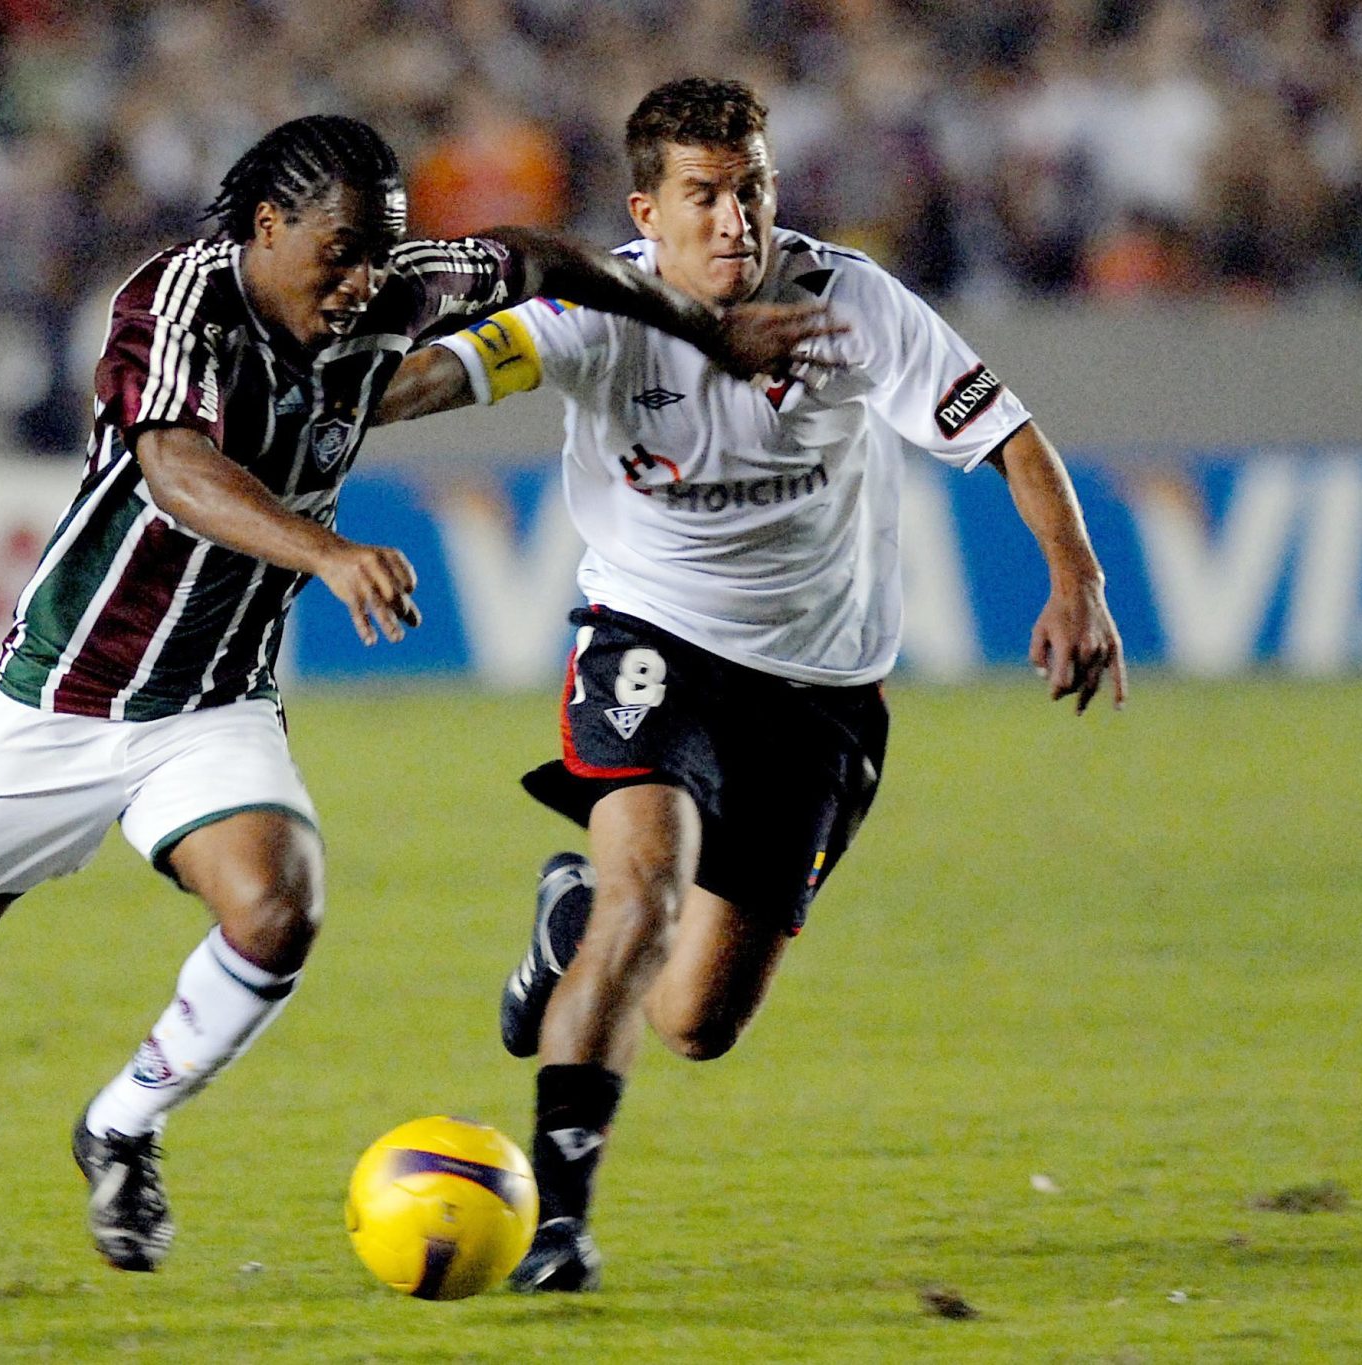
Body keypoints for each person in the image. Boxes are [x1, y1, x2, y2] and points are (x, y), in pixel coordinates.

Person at [0, 113, 835, 1315]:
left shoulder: (387, 291)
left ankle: (121, 1126)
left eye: (380, 253)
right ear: (266, 228)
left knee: (279, 909)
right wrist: (321, 549)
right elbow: (174, 469)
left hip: (210, 704)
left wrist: (700, 327)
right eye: (338, 253)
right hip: (60, 700)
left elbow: (542, 257)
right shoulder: (175, 301)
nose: (364, 282)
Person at [380, 77, 1127, 1291]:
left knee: (694, 1023)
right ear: (645, 211)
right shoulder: (594, 312)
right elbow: (444, 378)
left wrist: (1073, 579)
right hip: (649, 641)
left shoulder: (848, 301)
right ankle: (559, 1221)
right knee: (644, 896)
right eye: (705, 198)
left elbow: (1006, 434)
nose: (736, 223)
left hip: (822, 690)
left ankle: (562, 924)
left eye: (752, 193)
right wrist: (336, 391)